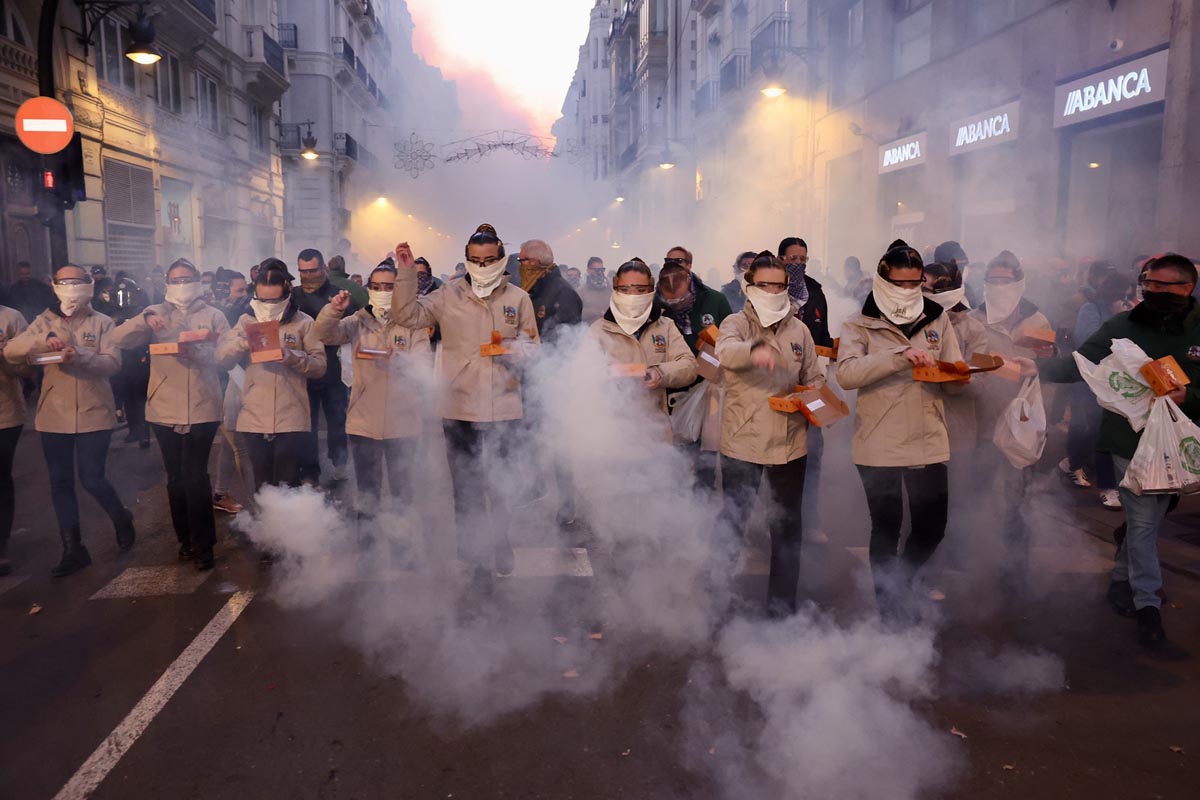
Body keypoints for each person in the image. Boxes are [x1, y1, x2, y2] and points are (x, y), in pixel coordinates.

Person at [1032, 253, 1200, 648]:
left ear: (1187, 288)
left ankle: (1121, 579)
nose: (1152, 292)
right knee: (1143, 523)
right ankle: (1148, 608)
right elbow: (1080, 363)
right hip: (1128, 439)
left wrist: (1188, 395)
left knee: (1154, 517)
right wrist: (1032, 369)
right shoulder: (1123, 325)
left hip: (1185, 444)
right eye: (1148, 285)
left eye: (1163, 286)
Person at [390, 225, 540, 582]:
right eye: (475, 260)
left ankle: (501, 541)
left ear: (501, 259)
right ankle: (473, 554)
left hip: (504, 404)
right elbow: (406, 316)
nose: (482, 266)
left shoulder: (518, 298)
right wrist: (407, 273)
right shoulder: (447, 295)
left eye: (489, 260)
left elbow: (534, 346)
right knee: (465, 484)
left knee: (501, 482)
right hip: (458, 404)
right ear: (466, 260)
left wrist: (521, 353)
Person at [835, 244, 964, 618]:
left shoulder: (938, 318)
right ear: (883, 279)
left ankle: (902, 581)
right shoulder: (859, 323)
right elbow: (847, 373)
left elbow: (952, 369)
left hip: (928, 437)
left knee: (932, 527)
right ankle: (888, 607)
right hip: (880, 440)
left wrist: (961, 376)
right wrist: (897, 357)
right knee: (886, 527)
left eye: (915, 283)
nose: (908, 290)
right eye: (900, 282)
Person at [4, 264, 137, 577]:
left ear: (88, 285)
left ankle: (120, 516)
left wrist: (77, 355)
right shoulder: (43, 321)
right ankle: (73, 548)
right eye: (64, 282)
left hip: (94, 412)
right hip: (54, 415)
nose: (71, 287)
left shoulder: (103, 322)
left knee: (92, 477)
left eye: (77, 281)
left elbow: (112, 363)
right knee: (60, 483)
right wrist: (43, 340)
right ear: (54, 286)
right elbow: (11, 352)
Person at [715, 252, 823, 616]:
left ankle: (782, 610)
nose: (773, 291)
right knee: (733, 522)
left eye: (780, 285)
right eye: (765, 285)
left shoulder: (800, 330)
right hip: (743, 440)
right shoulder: (736, 323)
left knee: (788, 528)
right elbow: (725, 351)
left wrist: (812, 399)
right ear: (750, 287)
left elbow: (814, 377)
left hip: (791, 443)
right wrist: (755, 350)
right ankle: (717, 600)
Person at [111, 258, 230, 570]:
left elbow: (227, 357)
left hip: (203, 405)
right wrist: (147, 315)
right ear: (167, 283)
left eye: (187, 278)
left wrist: (203, 353)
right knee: (176, 478)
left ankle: (205, 545)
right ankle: (186, 541)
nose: (182, 285)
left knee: (195, 476)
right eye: (175, 280)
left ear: (197, 281)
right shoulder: (155, 314)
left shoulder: (214, 315)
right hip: (163, 407)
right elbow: (118, 338)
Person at [317, 261, 431, 528]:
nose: (382, 292)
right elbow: (324, 334)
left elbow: (425, 368)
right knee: (367, 493)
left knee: (403, 492)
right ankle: (367, 549)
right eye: (377, 286)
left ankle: (405, 550)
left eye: (389, 287)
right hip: (363, 420)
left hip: (403, 421)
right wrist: (333, 311)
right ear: (368, 289)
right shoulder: (357, 321)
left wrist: (399, 363)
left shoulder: (413, 325)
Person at [971, 250, 1053, 591]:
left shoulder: (1038, 322)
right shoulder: (972, 319)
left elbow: (1046, 373)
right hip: (981, 419)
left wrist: (1035, 420)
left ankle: (1014, 569)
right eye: (994, 281)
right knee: (974, 491)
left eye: (1007, 281)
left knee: (1016, 499)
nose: (1000, 287)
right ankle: (968, 555)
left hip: (1019, 423)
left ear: (1019, 284)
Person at [216, 261, 326, 503]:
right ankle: (265, 534)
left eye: (274, 301)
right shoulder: (246, 321)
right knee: (262, 484)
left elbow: (319, 366)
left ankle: (290, 535)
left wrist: (292, 356)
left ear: (286, 294)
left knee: (287, 483)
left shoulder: (303, 323)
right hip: (254, 414)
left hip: (292, 414)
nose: (268, 306)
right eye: (263, 300)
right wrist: (243, 342)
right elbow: (222, 358)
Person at [584, 258, 697, 441]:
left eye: (640, 290)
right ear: (616, 289)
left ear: (651, 290)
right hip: (610, 432)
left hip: (655, 430)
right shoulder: (599, 330)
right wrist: (611, 373)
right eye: (625, 289)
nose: (632, 296)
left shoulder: (664, 326)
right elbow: (581, 377)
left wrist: (660, 372)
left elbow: (689, 365)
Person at [518, 239, 584, 526]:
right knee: (530, 438)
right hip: (530, 378)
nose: (519, 266)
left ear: (537, 262)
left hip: (555, 380)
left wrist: (536, 354)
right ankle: (534, 489)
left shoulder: (562, 293)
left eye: (523, 261)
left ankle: (567, 503)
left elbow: (567, 341)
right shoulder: (530, 290)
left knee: (559, 444)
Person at [657, 248, 732, 491]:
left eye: (678, 261)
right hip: (666, 390)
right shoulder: (656, 302)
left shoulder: (714, 300)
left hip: (706, 389)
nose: (673, 265)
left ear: (689, 268)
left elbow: (730, 340)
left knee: (704, 461)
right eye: (668, 261)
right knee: (671, 461)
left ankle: (704, 514)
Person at [1062, 267, 1134, 508]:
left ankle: (1102, 481)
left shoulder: (1130, 313)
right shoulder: (1090, 309)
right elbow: (1088, 342)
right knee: (1089, 429)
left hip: (1118, 383)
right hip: (1090, 382)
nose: (1125, 300)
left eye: (1130, 295)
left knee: (1105, 433)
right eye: (1122, 295)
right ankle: (1076, 465)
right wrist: (1116, 319)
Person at [778, 237, 834, 542]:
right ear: (780, 259)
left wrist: (823, 359)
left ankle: (810, 522)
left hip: (810, 383)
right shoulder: (770, 289)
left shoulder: (815, 292)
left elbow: (823, 334)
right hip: (776, 385)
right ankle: (771, 519)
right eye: (792, 259)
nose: (797, 264)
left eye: (802, 259)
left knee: (813, 452)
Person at [293, 248, 358, 484]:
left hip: (334, 369)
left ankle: (339, 463)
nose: (308, 276)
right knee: (307, 425)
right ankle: (310, 471)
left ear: (324, 269)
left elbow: (353, 327)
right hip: (305, 369)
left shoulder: (339, 295)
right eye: (303, 271)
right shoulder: (294, 296)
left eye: (313, 270)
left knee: (337, 420)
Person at [0, 302, 29, 576]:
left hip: (5, 414)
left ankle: (1, 546)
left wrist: (4, 355)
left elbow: (27, 370)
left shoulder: (11, 317)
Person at [8, 262, 56, 327]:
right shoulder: (13, 289)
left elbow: (50, 305)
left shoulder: (42, 287)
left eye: (27, 274)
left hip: (40, 323)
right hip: (20, 324)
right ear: (18, 274)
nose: (25, 276)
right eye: (22, 274)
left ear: (31, 273)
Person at [580, 256, 611, 323]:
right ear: (588, 270)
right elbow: (577, 312)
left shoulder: (610, 289)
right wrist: (594, 312)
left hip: (609, 328)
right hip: (588, 329)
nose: (599, 272)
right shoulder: (581, 291)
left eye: (601, 269)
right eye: (596, 269)